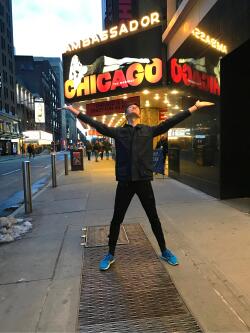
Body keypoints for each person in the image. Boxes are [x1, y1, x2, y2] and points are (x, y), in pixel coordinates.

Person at [61, 100, 214, 271]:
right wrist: (74, 111)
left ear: (139, 114)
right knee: (117, 219)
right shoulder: (119, 132)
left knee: (153, 217)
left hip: (143, 181)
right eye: (130, 107)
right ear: (126, 114)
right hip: (125, 182)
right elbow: (96, 124)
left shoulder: (148, 130)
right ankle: (110, 254)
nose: (134, 107)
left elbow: (171, 121)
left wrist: (194, 107)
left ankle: (164, 250)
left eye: (136, 107)